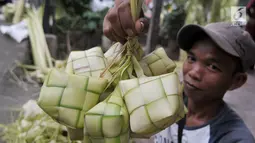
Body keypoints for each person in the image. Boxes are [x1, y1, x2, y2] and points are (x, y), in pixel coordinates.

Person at [103, 0, 255, 143]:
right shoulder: (164, 96)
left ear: (237, 81)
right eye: (191, 58)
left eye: (213, 67)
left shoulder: (235, 138)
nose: (194, 73)